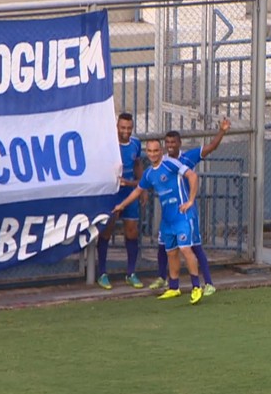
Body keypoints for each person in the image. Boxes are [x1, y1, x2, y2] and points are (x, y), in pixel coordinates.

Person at [113, 139, 203, 305]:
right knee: (171, 252)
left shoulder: (171, 164)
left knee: (185, 248)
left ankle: (196, 287)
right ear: (147, 152)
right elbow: (138, 190)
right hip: (167, 220)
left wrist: (190, 200)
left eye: (156, 151)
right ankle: (174, 287)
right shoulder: (148, 174)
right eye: (150, 151)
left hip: (182, 215)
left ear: (161, 151)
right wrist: (121, 205)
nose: (153, 154)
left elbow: (192, 175)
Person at [147, 118, 231, 296]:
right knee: (164, 245)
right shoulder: (161, 161)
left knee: (194, 247)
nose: (170, 145)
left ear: (179, 143)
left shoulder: (187, 158)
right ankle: (164, 278)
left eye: (173, 142)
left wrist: (222, 131)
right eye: (167, 142)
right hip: (170, 213)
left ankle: (208, 282)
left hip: (186, 211)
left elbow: (210, 148)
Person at [96, 112, 144, 290]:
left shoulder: (136, 144)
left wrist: (142, 187)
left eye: (129, 128)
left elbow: (138, 163)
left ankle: (131, 273)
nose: (126, 131)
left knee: (131, 231)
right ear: (116, 127)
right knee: (106, 231)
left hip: (130, 193)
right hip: (112, 193)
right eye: (123, 128)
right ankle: (102, 273)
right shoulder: (108, 144)